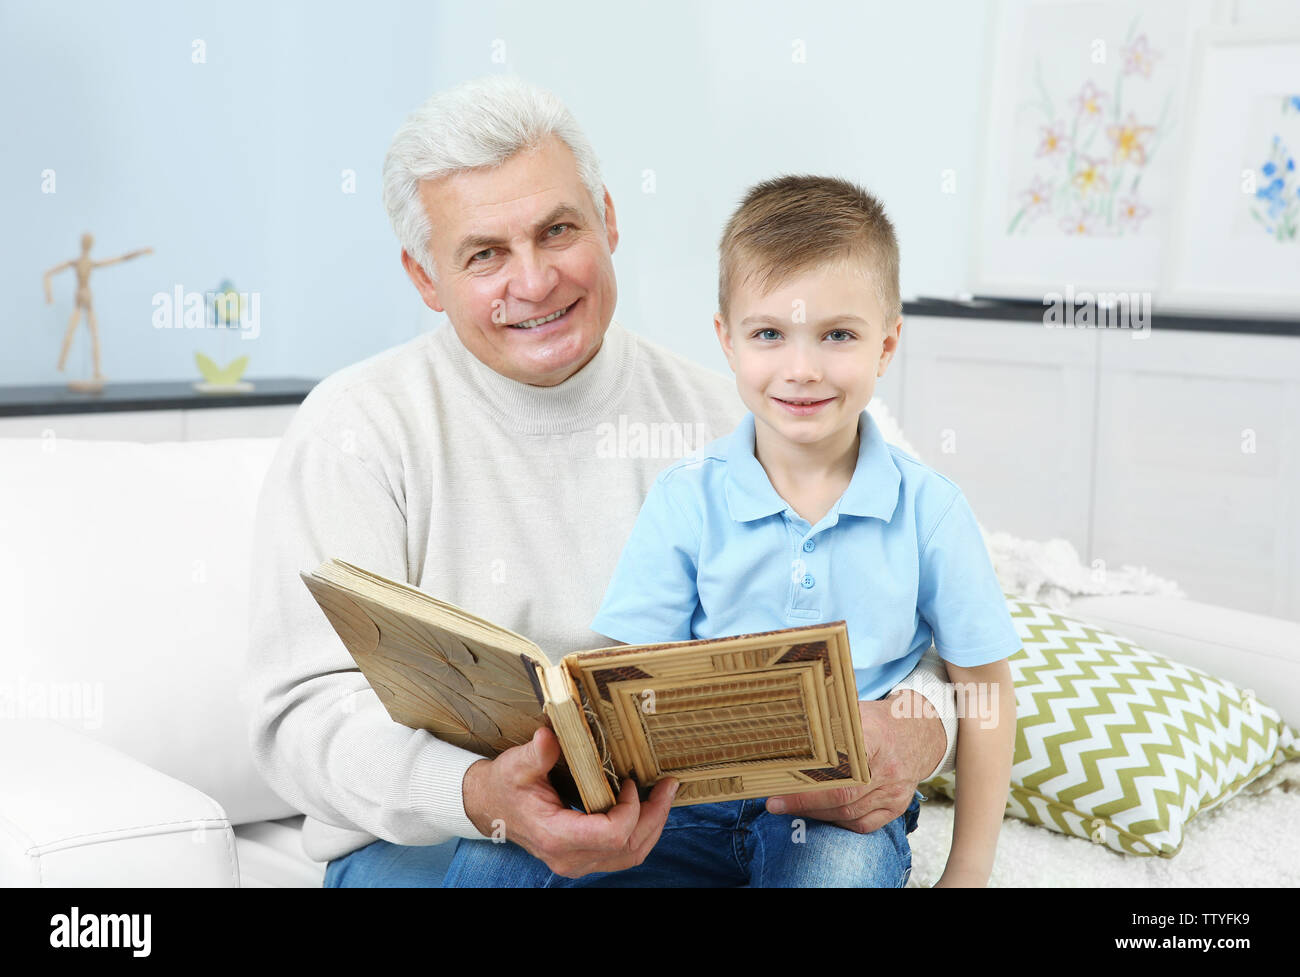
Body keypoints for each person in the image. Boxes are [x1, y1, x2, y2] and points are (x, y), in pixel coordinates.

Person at [243, 75, 961, 889]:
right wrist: (478, 793)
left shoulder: (744, 407)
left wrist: (911, 733)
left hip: (700, 815)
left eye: (558, 231)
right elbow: (298, 712)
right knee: (493, 863)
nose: (536, 281)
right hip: (432, 831)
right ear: (423, 277)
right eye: (485, 255)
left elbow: (933, 634)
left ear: (609, 220)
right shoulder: (356, 428)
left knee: (843, 858)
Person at [584, 175, 1019, 887]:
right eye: (769, 334)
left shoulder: (930, 511)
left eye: (838, 335)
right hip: (688, 807)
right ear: (726, 340)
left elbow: (987, 690)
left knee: (836, 872)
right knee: (503, 863)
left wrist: (967, 871)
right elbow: (633, 688)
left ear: (887, 343)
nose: (802, 368)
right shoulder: (685, 499)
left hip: (843, 815)